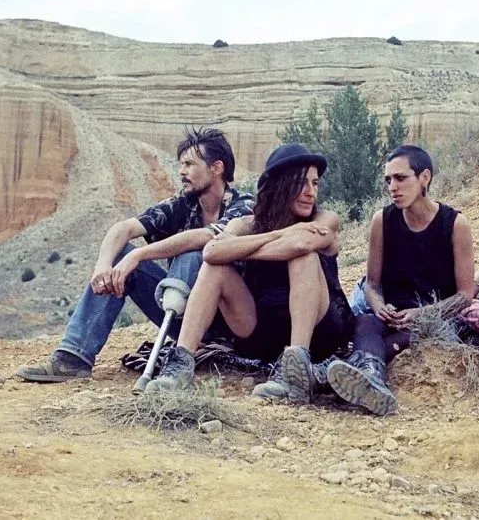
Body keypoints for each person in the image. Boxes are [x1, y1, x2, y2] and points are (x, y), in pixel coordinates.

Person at [15, 127, 253, 382]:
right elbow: (124, 228)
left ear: (216, 168)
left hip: (231, 325)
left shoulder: (243, 206)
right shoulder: (182, 205)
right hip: (180, 312)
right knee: (120, 256)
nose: (181, 171)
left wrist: (140, 254)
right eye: (181, 164)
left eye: (189, 164)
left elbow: (207, 238)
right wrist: (103, 266)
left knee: (192, 255)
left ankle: (182, 358)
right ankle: (73, 358)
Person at [145, 143, 355, 403]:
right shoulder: (245, 224)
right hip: (262, 332)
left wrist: (241, 249)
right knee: (215, 268)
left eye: (314, 184)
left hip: (318, 333)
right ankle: (180, 365)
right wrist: (278, 235)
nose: (310, 192)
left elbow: (301, 244)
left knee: (304, 256)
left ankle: (294, 373)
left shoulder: (324, 219)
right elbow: (211, 252)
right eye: (301, 183)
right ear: (279, 184)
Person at [325, 145, 477, 416]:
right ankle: (372, 380)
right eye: (388, 180)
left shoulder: (455, 224)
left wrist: (422, 314)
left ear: (424, 177)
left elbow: (465, 295)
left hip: (433, 319)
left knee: (408, 336)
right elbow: (372, 284)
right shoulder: (382, 220)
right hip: (390, 315)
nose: (392, 187)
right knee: (365, 323)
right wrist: (379, 306)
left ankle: (329, 376)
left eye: (401, 178)